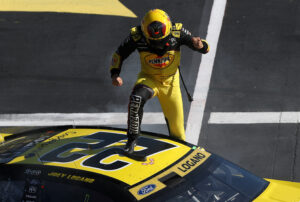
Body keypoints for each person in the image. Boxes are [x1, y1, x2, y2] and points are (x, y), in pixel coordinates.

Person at [110, 9, 209, 153]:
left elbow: (205, 48)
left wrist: (200, 45)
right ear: (145, 33)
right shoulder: (136, 37)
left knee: (178, 132)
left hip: (171, 85)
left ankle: (179, 153)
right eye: (154, 42)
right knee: (136, 99)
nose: (159, 47)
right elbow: (119, 54)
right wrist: (115, 74)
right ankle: (131, 141)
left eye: (162, 41)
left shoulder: (178, 32)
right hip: (149, 79)